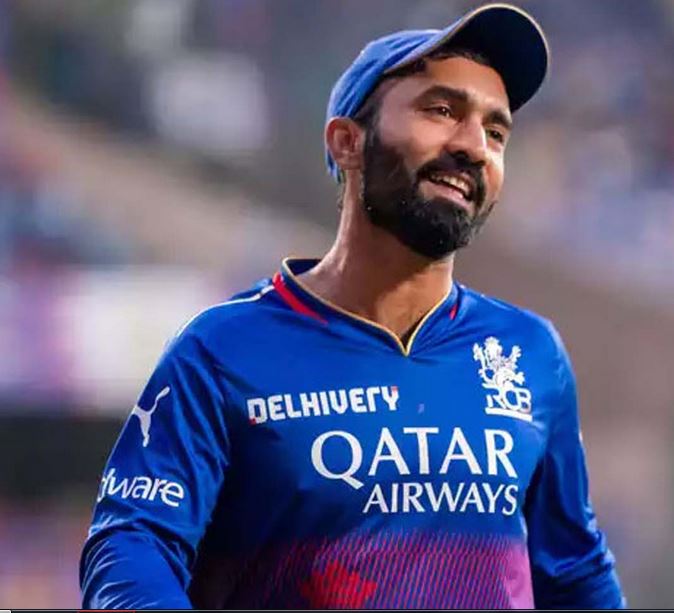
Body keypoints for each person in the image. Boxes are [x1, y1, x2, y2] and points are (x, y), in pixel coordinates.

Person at [80, 3, 626, 609]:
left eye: (496, 133)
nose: (474, 146)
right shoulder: (223, 350)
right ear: (348, 142)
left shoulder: (529, 353)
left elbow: (574, 571)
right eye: (442, 111)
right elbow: (134, 542)